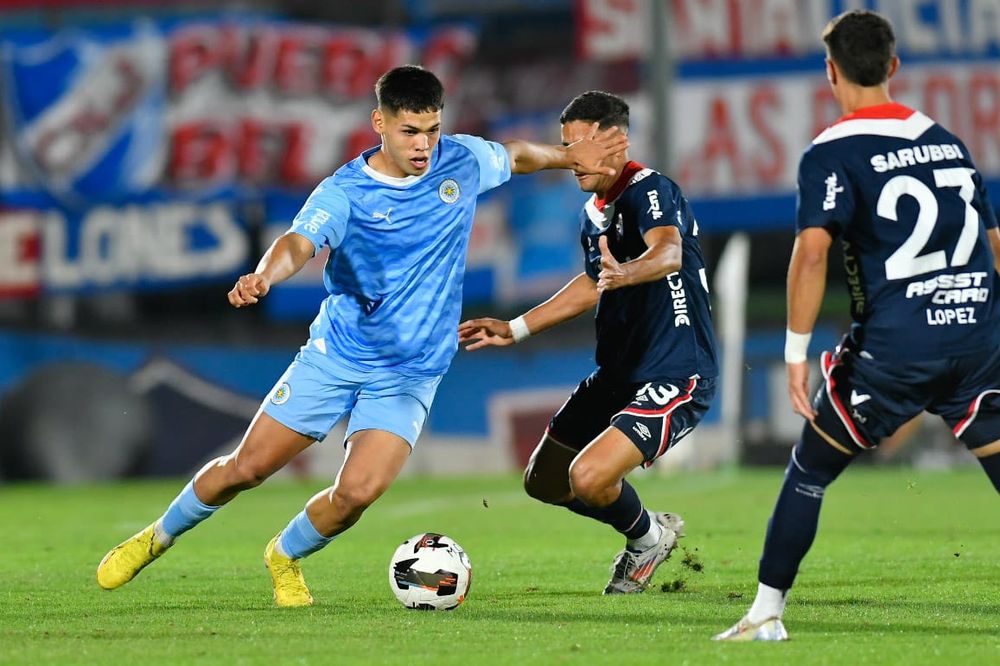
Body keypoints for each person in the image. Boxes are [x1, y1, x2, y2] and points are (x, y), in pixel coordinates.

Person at [95, 65, 629, 606]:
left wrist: (566, 156)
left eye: (432, 130)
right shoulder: (345, 191)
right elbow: (297, 243)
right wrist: (264, 275)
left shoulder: (461, 162)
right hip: (338, 356)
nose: (423, 145)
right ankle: (155, 537)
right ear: (380, 123)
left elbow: (515, 155)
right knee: (247, 469)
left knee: (358, 493)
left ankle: (283, 556)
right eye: (409, 132)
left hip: (412, 370)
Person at [715, 10, 1000, 641]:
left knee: (811, 467)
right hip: (978, 334)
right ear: (894, 67)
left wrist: (794, 353)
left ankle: (766, 613)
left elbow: (811, 253)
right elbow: (993, 243)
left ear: (830, 71)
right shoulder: (949, 140)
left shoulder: (832, 151)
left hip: (897, 348)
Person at [458, 91, 718, 594]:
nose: (570, 160)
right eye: (564, 147)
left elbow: (667, 254)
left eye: (577, 146)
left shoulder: (650, 189)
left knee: (591, 478)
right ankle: (646, 525)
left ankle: (645, 540)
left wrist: (630, 272)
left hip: (675, 372)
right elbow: (590, 283)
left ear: (614, 141)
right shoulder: (593, 214)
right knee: (543, 482)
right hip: (617, 375)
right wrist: (515, 328)